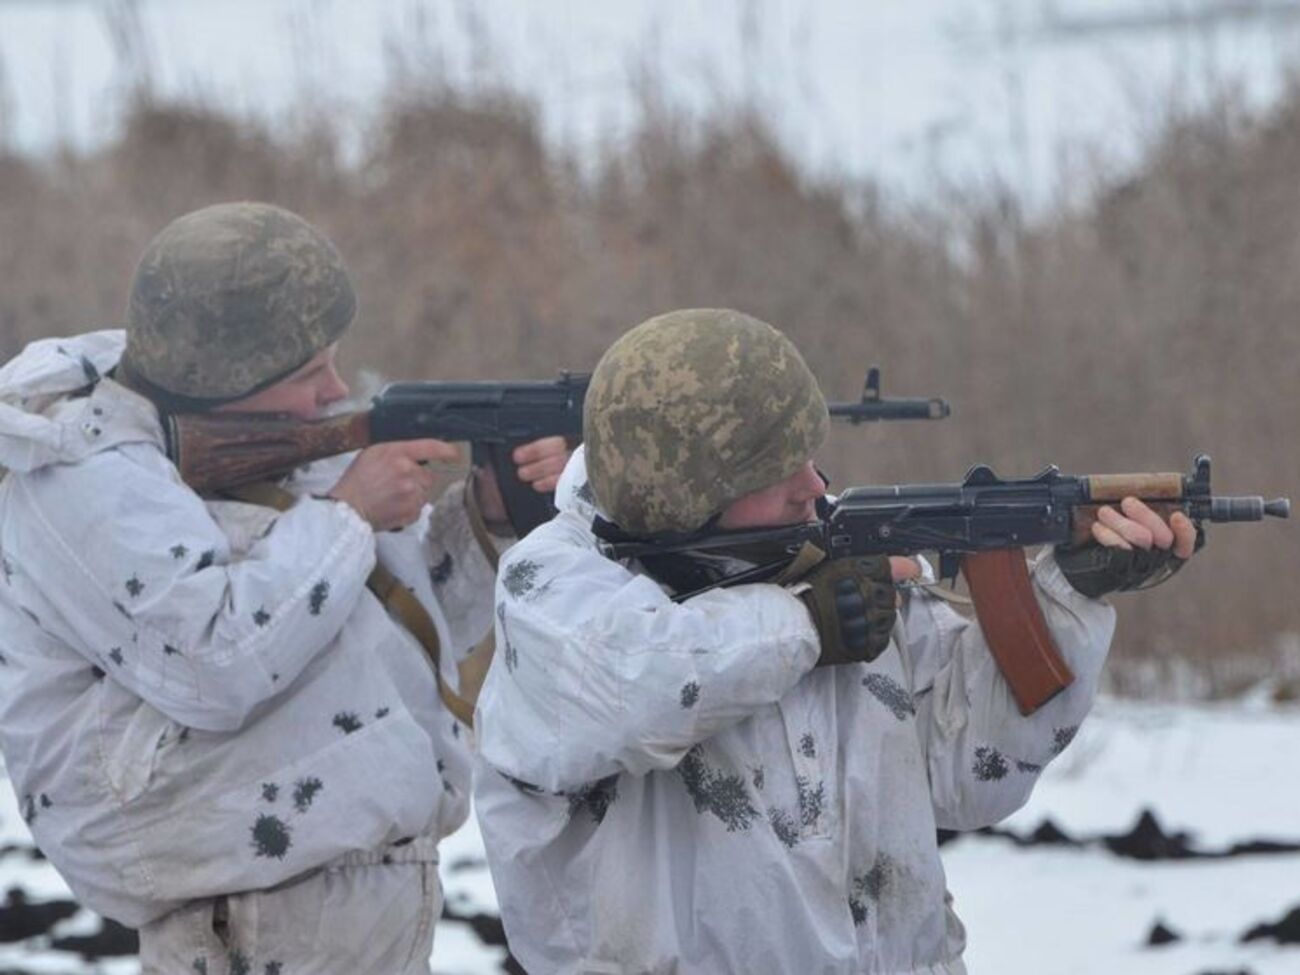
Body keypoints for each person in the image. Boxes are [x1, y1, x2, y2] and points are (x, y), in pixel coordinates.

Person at [472, 308, 1198, 975]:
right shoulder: (554, 586)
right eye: (774, 468)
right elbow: (642, 684)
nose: (813, 484)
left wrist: (1069, 594)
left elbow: (970, 773)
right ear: (687, 489)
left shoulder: (823, 561)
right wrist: (809, 624)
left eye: (809, 453)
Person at [0, 202, 566, 974]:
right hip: (250, 911)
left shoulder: (280, 438)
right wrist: (350, 513)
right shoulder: (79, 480)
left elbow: (384, 628)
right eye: (308, 373)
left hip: (354, 884)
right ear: (227, 383)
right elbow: (214, 662)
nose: (336, 390)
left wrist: (485, 518)